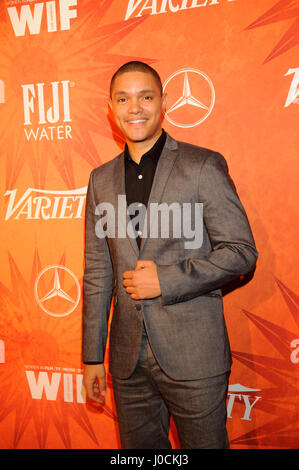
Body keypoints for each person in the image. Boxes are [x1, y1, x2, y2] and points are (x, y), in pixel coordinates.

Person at [82, 61, 258, 449]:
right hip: (127, 362)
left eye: (146, 96)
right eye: (123, 98)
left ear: (164, 101)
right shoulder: (100, 179)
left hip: (194, 356)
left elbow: (242, 252)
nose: (135, 108)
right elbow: (98, 272)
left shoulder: (202, 165)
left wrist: (168, 279)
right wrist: (93, 356)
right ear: (110, 108)